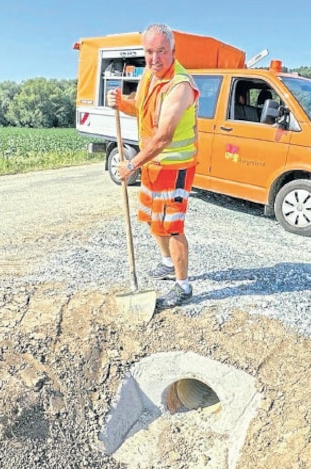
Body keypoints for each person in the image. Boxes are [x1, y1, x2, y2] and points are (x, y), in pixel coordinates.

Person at [107, 24, 199, 309]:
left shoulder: (180, 86)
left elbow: (164, 136)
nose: (154, 58)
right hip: (153, 165)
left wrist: (131, 164)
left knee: (172, 227)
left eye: (161, 51)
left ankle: (183, 287)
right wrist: (122, 103)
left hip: (175, 168)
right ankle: (167, 263)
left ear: (173, 51)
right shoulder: (149, 74)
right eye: (149, 51)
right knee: (151, 219)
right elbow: (141, 106)